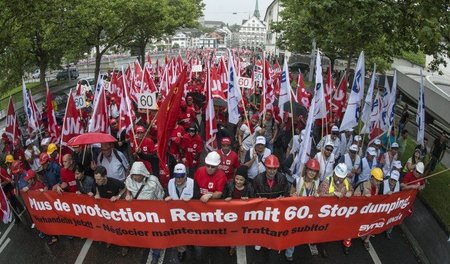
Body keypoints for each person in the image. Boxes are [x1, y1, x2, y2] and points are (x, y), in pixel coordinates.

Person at [125, 161, 164, 259]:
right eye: (134, 175)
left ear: (143, 173)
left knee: (155, 234)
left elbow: (161, 196)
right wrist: (128, 194)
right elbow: (127, 188)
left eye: (138, 175)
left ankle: (156, 254)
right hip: (138, 213)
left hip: (152, 213)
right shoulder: (129, 179)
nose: (135, 177)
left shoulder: (153, 182)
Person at [285, 159, 320, 262]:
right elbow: (290, 194)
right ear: (306, 169)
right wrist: (293, 196)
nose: (312, 173)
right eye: (310, 170)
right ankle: (289, 252)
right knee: (294, 234)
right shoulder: (297, 181)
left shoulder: (316, 182)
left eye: (314, 171)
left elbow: (318, 195)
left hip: (309, 214)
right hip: (297, 214)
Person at [165, 163, 200, 261]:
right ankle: (181, 251)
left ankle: (190, 243)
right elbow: (165, 194)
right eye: (176, 176)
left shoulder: (193, 183)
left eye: (181, 177)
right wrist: (165, 197)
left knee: (190, 232)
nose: (178, 179)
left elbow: (198, 197)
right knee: (179, 234)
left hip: (190, 215)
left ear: (185, 175)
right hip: (176, 216)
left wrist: (191, 200)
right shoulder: (170, 182)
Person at [318, 163, 353, 255]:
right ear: (334, 173)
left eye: (341, 177)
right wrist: (333, 194)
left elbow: (352, 190)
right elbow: (320, 196)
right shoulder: (327, 181)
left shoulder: (346, 182)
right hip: (327, 212)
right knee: (326, 230)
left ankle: (346, 245)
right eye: (337, 176)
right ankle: (323, 246)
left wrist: (350, 192)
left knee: (345, 228)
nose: (339, 179)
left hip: (340, 211)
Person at [380, 170, 401, 239]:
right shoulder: (383, 184)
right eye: (391, 179)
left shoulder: (398, 185)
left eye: (394, 180)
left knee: (391, 219)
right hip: (382, 207)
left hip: (392, 207)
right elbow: (378, 198)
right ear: (389, 177)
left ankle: (388, 231)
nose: (392, 181)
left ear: (397, 181)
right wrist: (386, 195)